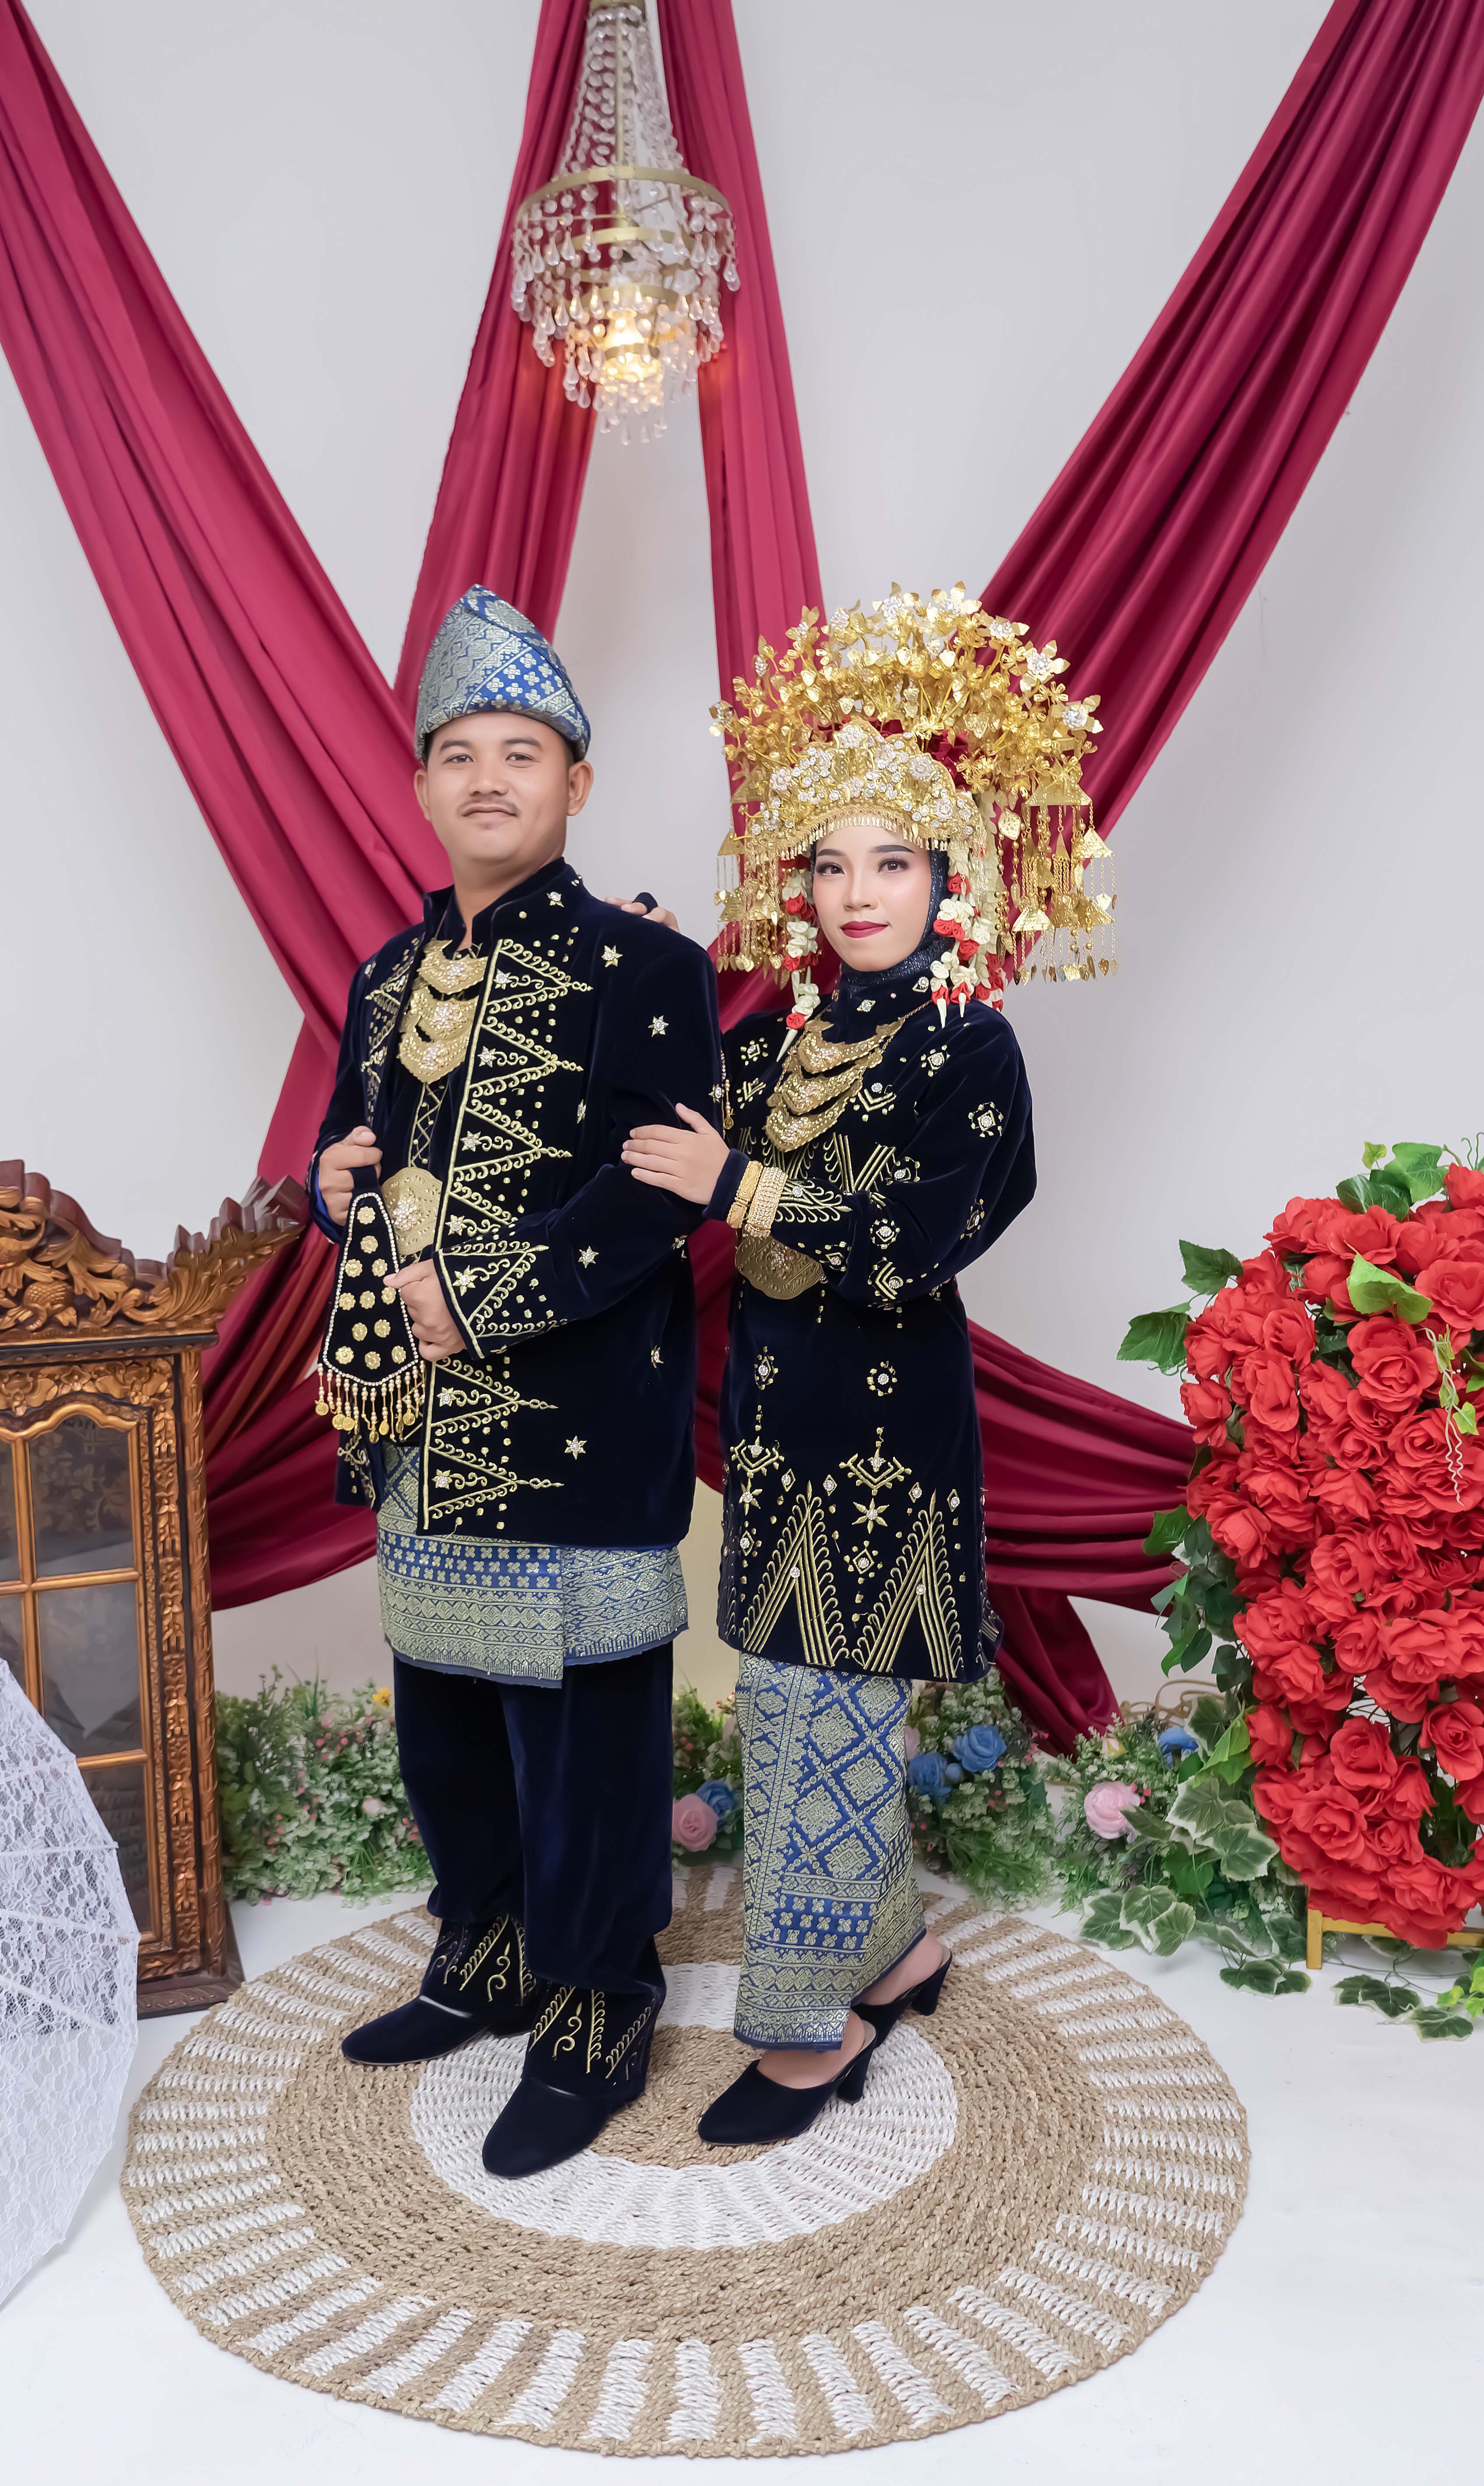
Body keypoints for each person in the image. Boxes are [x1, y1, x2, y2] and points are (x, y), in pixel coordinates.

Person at [623, 586, 1105, 2146]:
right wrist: (629, 977)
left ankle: (807, 2025)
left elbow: (912, 1244)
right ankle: (896, 1951)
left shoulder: (971, 1050)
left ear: (947, 875)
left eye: (889, 862)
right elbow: (657, 1133)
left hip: (889, 1440)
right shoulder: (777, 1042)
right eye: (828, 865)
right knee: (791, 1704)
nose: (854, 893)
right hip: (776, 1430)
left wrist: (741, 1189)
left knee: (825, 1712)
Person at [311, 584, 721, 2179]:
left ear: (576, 784)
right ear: (421, 785)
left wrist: (478, 1294)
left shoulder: (646, 965)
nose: (489, 780)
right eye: (460, 756)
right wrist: (332, 1188)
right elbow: (362, 1154)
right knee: (447, 1725)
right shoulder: (381, 976)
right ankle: (480, 1954)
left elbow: (655, 1190)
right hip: (416, 1429)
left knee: (585, 1747)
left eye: (522, 754)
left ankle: (597, 2008)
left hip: (578, 1423)